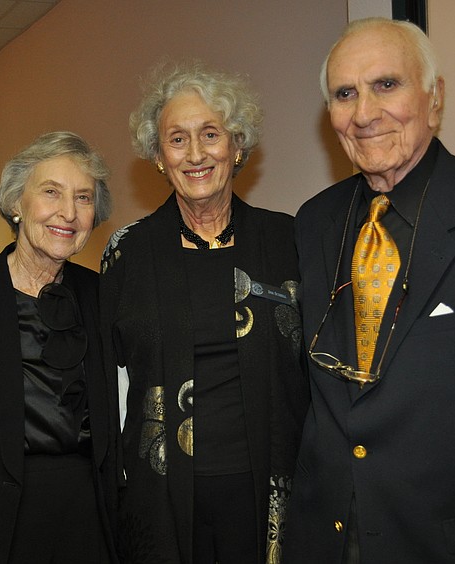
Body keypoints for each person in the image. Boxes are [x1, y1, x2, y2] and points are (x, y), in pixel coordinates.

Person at [283, 17, 455, 564]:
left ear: (434, 98)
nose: (364, 113)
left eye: (386, 84)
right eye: (344, 94)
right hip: (326, 540)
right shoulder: (314, 222)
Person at [100, 61, 309, 564]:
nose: (195, 154)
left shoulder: (289, 241)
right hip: (162, 498)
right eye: (177, 139)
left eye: (210, 134)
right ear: (158, 156)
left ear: (237, 146)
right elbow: (108, 380)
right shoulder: (129, 252)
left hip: (273, 492)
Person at [0, 131, 117, 563]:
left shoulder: (107, 298)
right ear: (16, 203)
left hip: (90, 520)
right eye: (51, 192)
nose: (68, 213)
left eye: (84, 198)